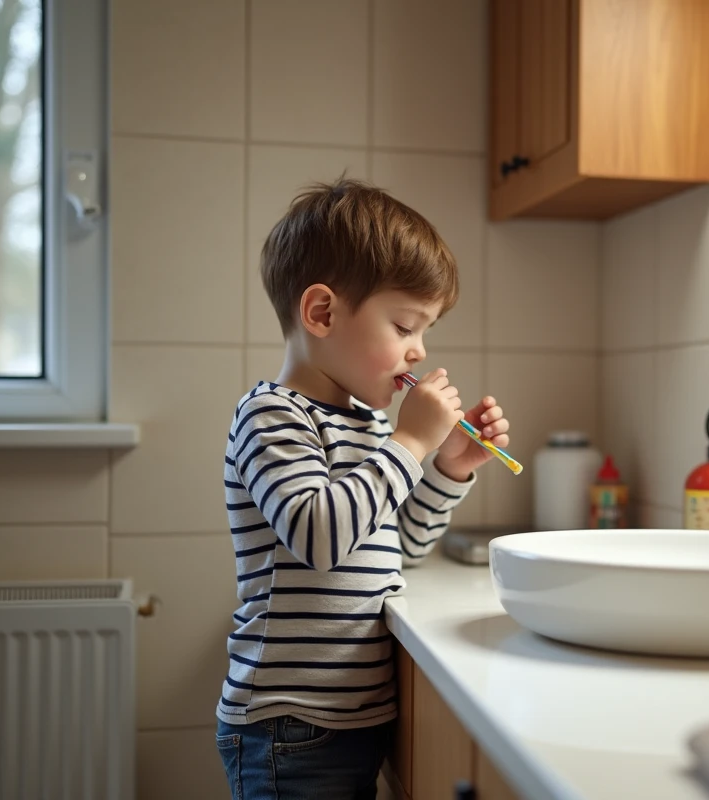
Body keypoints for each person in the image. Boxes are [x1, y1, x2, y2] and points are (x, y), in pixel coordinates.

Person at [214, 177, 509, 799]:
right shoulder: (272, 415)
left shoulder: (371, 424)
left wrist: (448, 469)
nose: (419, 351)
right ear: (322, 313)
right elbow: (321, 537)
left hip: (350, 718)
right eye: (405, 326)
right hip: (288, 724)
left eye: (424, 331)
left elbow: (398, 547)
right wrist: (411, 444)